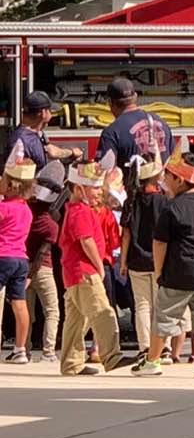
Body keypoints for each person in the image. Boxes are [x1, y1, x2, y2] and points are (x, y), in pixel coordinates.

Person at [132, 150, 194, 379]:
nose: (164, 180)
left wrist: (159, 271)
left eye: (168, 176)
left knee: (164, 317)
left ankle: (153, 361)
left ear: (180, 180)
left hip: (178, 274)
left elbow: (159, 243)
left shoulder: (172, 207)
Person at [58, 157, 132, 376]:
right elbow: (86, 240)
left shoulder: (75, 208)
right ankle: (112, 356)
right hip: (85, 271)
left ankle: (71, 363)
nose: (100, 192)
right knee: (103, 312)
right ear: (79, 189)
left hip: (73, 272)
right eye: (95, 187)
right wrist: (99, 267)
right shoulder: (80, 211)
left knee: (76, 320)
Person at [120, 155, 168, 363]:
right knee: (160, 305)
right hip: (159, 260)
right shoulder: (163, 202)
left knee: (142, 305)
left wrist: (123, 261)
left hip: (136, 259)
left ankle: (145, 346)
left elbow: (126, 234)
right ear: (155, 177)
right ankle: (163, 347)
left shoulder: (131, 201)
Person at [0, 143, 37, 364]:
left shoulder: (4, 208)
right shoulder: (26, 210)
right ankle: (20, 349)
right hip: (21, 258)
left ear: (11, 185)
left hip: (2, 256)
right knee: (19, 303)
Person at [24, 160, 64, 362]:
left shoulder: (26, 213)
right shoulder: (51, 225)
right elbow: (42, 252)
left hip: (23, 265)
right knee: (52, 311)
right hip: (43, 269)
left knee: (26, 313)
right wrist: (32, 275)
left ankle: (24, 349)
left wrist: (27, 276)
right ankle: (48, 351)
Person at [98, 78, 174, 172]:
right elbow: (173, 163)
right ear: (136, 97)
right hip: (163, 180)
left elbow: (104, 172)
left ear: (110, 102)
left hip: (131, 182)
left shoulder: (112, 132)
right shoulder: (162, 123)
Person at [9, 90, 83, 170]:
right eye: (50, 111)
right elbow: (13, 174)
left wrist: (72, 152)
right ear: (43, 113)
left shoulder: (37, 132)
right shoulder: (20, 142)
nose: (51, 115)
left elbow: (51, 151)